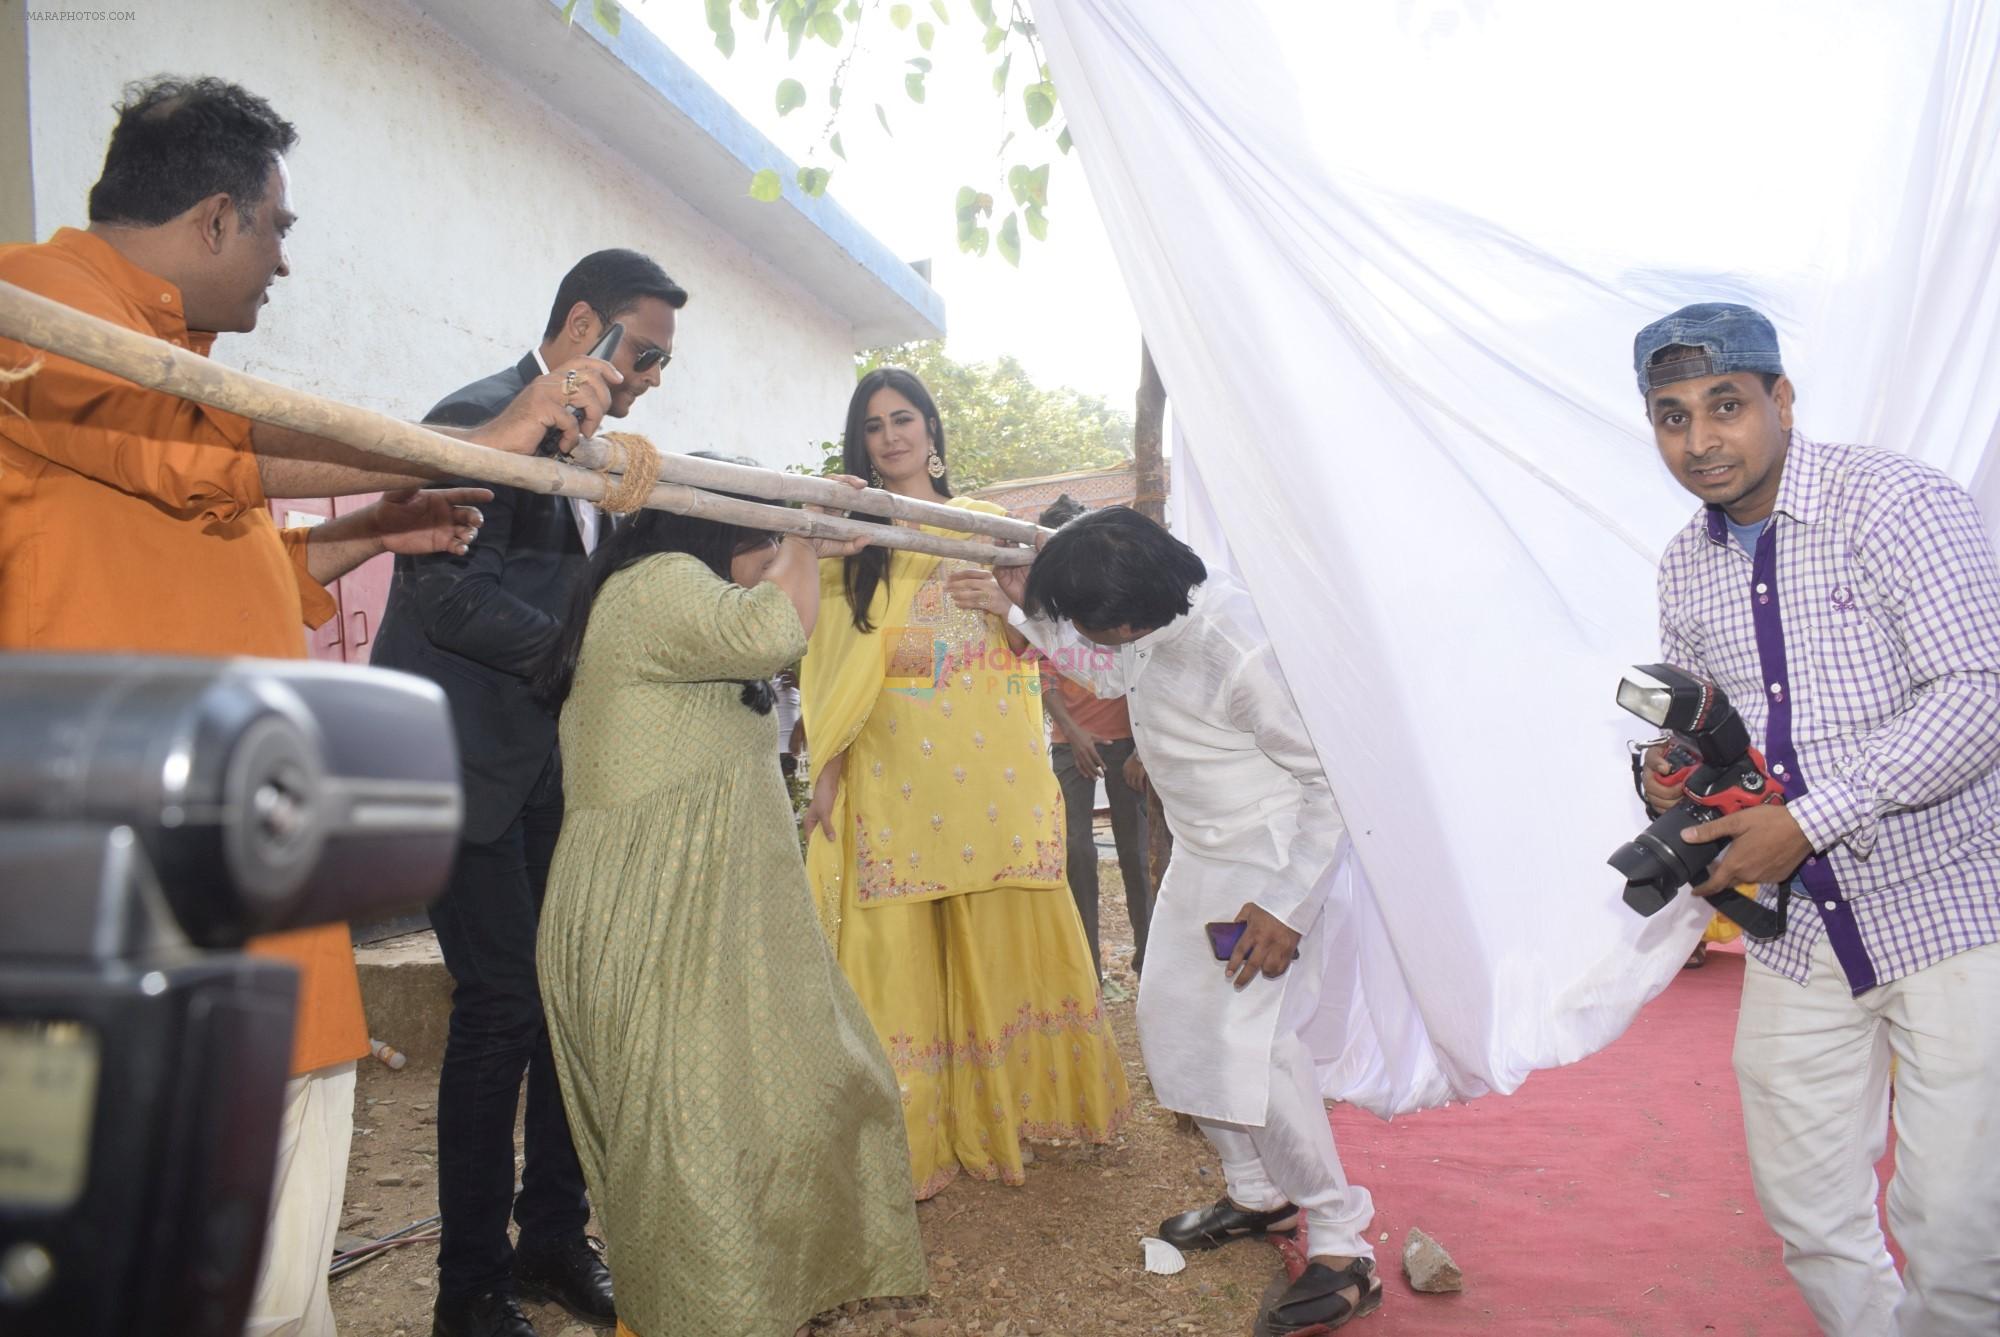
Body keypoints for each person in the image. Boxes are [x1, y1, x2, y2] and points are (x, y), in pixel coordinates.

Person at [0, 76, 615, 1337]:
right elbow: (189, 462)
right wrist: (476, 443)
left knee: (274, 1284)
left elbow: (220, 561)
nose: (288, 259)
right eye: (279, 227)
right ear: (217, 217)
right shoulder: (40, 308)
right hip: (126, 909)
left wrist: (359, 533)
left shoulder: (174, 379)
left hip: (249, 893)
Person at [1633, 302, 2000, 1335]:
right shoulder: (1683, 563)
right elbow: (1708, 725)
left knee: (1960, 1231)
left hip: (1955, 907)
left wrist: (1809, 817)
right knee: (1807, 1211)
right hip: (1799, 933)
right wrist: (1671, 780)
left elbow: (1978, 687)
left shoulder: (1895, 504)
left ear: (1779, 399)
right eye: (1669, 417)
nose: (1699, 440)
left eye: (1723, 406)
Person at [955, 508, 1382, 1333]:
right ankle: (1260, 1196)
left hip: (1266, 873)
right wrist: (1024, 608)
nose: (1089, 637)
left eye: (1087, 622)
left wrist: (1287, 908)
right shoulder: (1153, 614)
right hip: (1205, 863)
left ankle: (1341, 1240)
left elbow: (1333, 785)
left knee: (1260, 1051)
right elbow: (1115, 677)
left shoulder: (1241, 650)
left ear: (1126, 617)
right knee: (1172, 1020)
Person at [370, 249, 685, 1337]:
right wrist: (587, 654)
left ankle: (553, 1238)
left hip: (543, 768)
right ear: (585, 324)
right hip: (452, 766)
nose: (648, 375)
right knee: (501, 1003)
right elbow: (449, 594)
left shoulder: (597, 450)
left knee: (563, 998)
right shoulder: (476, 417)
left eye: (659, 363)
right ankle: (469, 1291)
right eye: (642, 352)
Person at [529, 482, 926, 1337]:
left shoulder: (678, 599)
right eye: (762, 549)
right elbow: (773, 627)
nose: (766, 573)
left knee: (787, 1102)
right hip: (653, 909)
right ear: (723, 534)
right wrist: (805, 540)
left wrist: (817, 535)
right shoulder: (658, 581)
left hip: (699, 910)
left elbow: (773, 622)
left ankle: (754, 1302)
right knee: (694, 1141)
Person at [799, 367, 1129, 1199]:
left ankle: (1014, 1109)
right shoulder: (857, 538)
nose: (889, 436)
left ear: (934, 432)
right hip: (894, 771)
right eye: (871, 426)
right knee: (897, 941)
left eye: (902, 418)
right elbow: (834, 661)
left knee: (1002, 922)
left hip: (991, 775)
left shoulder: (989, 530)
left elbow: (1061, 650)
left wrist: (1007, 606)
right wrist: (827, 771)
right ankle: (908, 1132)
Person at [1034, 495, 1153, 981]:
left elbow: (1147, 673)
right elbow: (1042, 676)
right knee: (1076, 850)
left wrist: (1142, 749)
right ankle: (1088, 964)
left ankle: (1150, 955)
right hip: (1071, 743)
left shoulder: (1118, 593)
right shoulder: (1045, 607)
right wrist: (1074, 734)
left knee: (1135, 850)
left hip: (1129, 743)